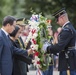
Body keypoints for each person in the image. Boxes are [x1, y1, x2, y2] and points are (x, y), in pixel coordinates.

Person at [43, 8, 76, 75]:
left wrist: (47, 48)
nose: (56, 22)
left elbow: (59, 46)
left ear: (62, 18)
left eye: (57, 19)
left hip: (67, 62)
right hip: (67, 60)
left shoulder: (67, 29)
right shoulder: (68, 28)